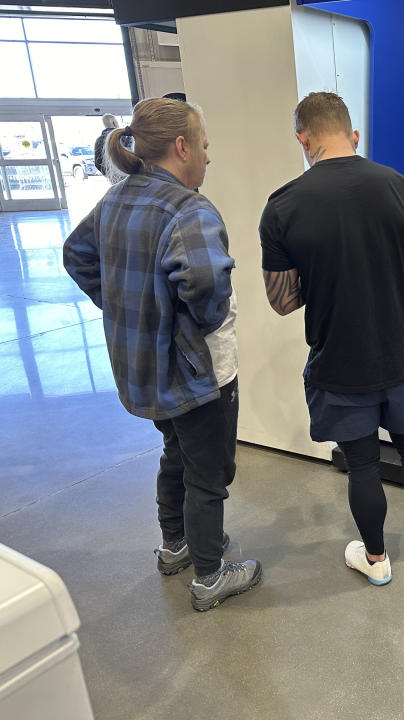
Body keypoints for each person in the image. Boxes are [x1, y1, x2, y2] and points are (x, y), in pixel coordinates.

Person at [62, 98, 261, 611]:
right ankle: (211, 575)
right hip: (194, 373)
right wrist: (203, 318)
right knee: (208, 471)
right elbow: (203, 280)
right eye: (205, 146)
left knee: (176, 453)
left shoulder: (116, 198)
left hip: (140, 370)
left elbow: (76, 254)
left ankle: (176, 547)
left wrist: (124, 307)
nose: (208, 158)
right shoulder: (188, 208)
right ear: (181, 147)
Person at [259, 92, 404, 586]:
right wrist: (390, 266)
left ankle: (377, 559)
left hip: (339, 362)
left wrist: (324, 276)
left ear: (303, 140)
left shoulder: (282, 206)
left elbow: (281, 301)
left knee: (363, 462)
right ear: (354, 136)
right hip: (399, 355)